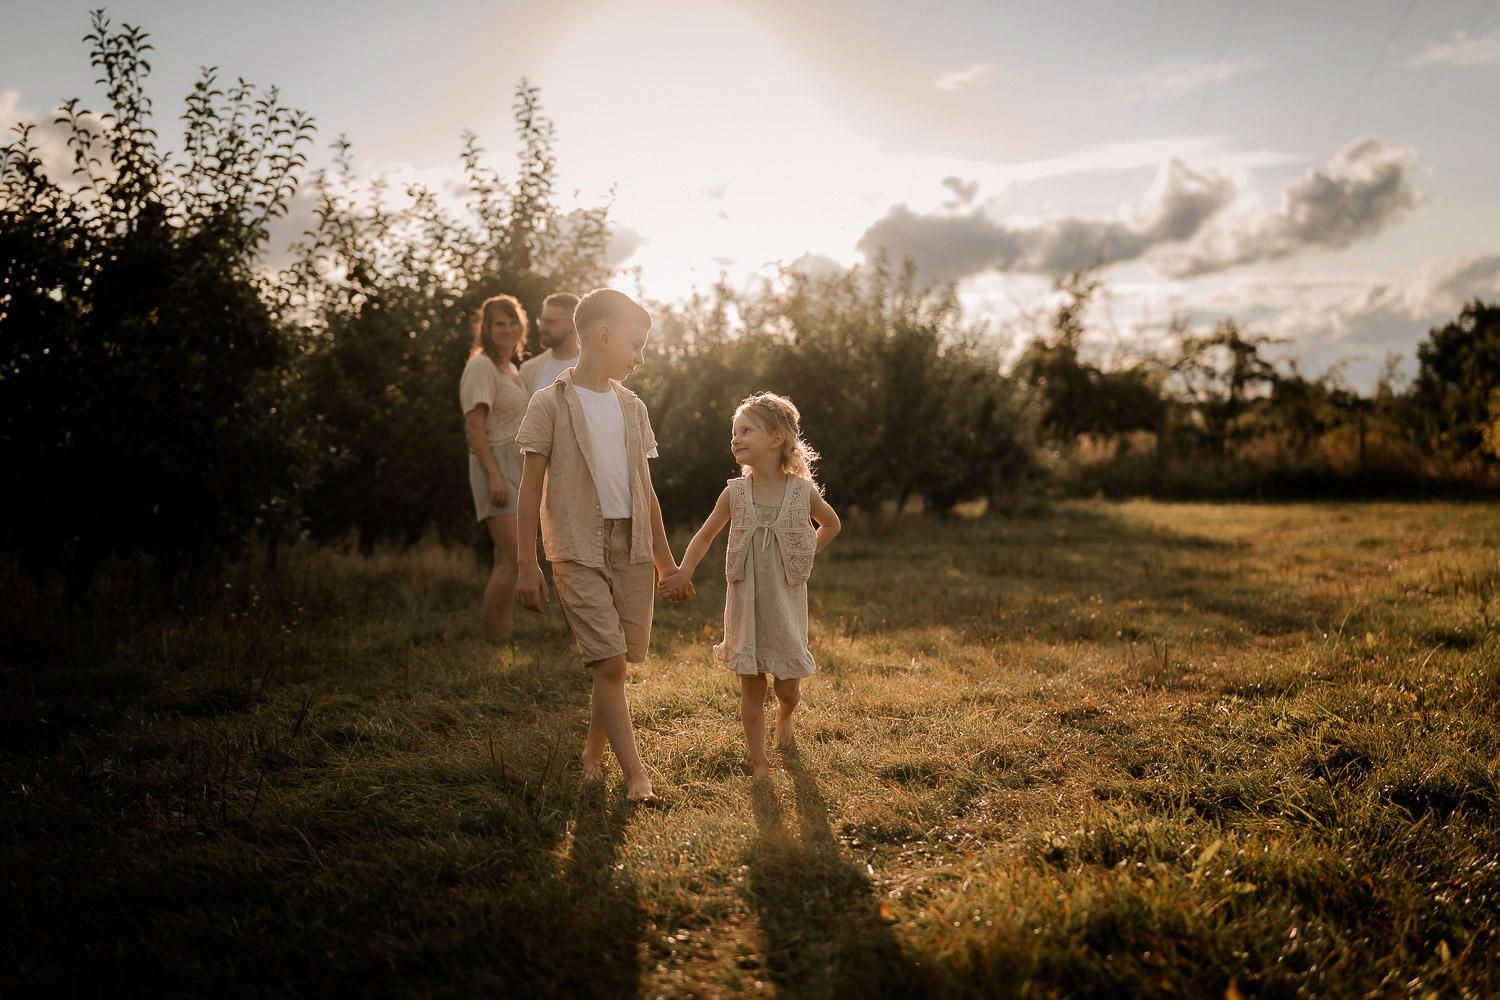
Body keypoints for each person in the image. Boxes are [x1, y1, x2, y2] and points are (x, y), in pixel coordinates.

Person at [514, 288, 686, 803]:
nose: (640, 358)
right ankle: (636, 775)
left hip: (631, 546)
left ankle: (593, 753)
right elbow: (529, 490)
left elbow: (646, 492)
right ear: (604, 336)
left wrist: (666, 563)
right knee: (608, 661)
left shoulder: (633, 408)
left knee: (615, 658)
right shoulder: (549, 403)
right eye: (636, 345)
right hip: (576, 546)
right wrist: (526, 563)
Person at [659, 392, 840, 780]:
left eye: (746, 431)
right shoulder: (735, 493)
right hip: (745, 602)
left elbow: (832, 524)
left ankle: (786, 715)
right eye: (734, 432)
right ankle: (760, 763)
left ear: (776, 439)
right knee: (752, 688)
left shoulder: (801, 492)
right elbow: (704, 536)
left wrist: (803, 553)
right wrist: (684, 571)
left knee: (787, 690)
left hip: (785, 604)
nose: (735, 438)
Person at [460, 294, 532, 641]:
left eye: (512, 322)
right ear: (486, 329)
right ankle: (494, 639)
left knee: (507, 556)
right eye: (499, 323)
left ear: (522, 326)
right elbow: (474, 428)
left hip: (516, 465)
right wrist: (494, 476)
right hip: (494, 465)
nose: (507, 329)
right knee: (513, 558)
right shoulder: (482, 366)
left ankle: (501, 635)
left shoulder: (512, 369)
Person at [519, 291, 581, 394]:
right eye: (542, 321)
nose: (542, 328)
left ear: (573, 324)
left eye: (550, 322)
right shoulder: (528, 370)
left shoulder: (598, 366)